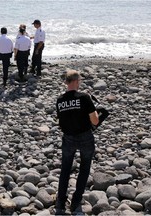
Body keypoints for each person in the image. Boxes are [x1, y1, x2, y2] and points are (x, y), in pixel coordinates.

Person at [55, 70, 99, 214]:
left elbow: (61, 121)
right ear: (75, 81)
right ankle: (75, 201)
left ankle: (60, 201)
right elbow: (95, 120)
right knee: (84, 168)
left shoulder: (60, 100)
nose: (80, 83)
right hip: (85, 136)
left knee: (65, 169)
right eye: (79, 80)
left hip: (68, 137)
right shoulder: (84, 97)